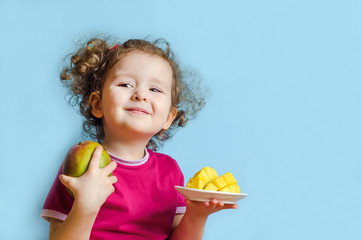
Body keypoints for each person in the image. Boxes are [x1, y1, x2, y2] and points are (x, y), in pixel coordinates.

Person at [41, 37, 238, 240]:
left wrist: (197, 216)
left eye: (155, 89)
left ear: (168, 117)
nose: (141, 95)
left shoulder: (170, 172)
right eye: (125, 84)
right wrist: (85, 207)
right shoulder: (84, 166)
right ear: (97, 104)